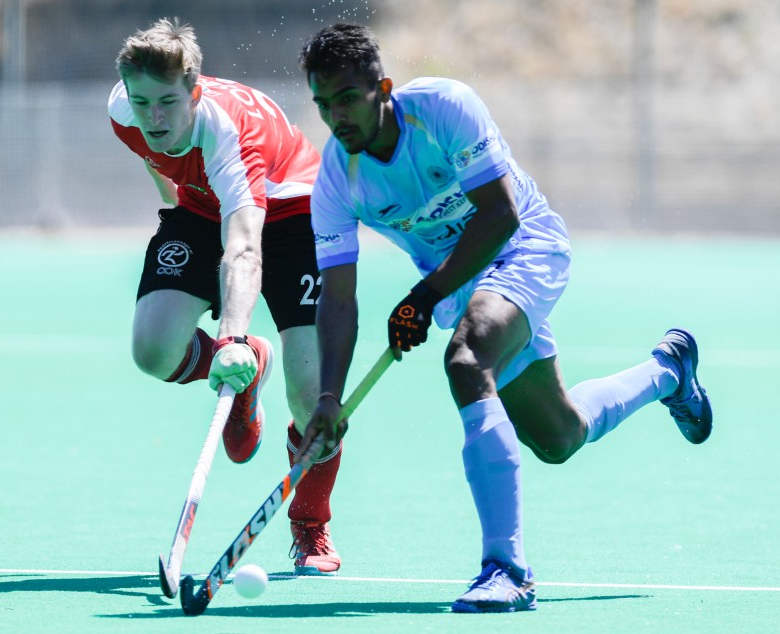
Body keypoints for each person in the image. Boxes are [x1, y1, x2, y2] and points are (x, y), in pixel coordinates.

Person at [296, 23, 713, 613]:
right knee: (559, 436)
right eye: (323, 104)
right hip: (461, 281)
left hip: (523, 246)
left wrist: (425, 294)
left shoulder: (442, 108)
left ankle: (507, 569)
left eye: (346, 99)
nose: (336, 117)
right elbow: (338, 298)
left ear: (382, 89)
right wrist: (328, 398)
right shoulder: (337, 181)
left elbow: (500, 215)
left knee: (466, 360)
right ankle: (667, 372)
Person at [109, 18, 343, 575]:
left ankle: (310, 522)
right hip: (200, 204)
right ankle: (250, 366)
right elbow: (154, 155)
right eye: (144, 103)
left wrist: (230, 337)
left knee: (311, 395)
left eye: (168, 102)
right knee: (152, 350)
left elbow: (243, 247)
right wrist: (176, 210)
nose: (154, 118)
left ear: (194, 92)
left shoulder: (230, 135)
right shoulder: (123, 108)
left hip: (295, 211)